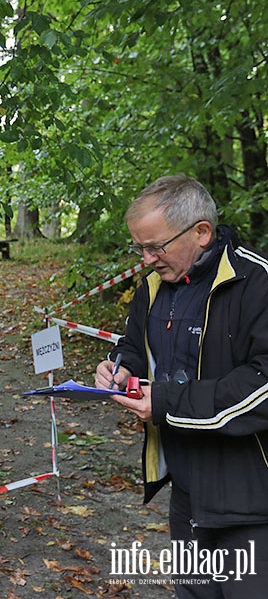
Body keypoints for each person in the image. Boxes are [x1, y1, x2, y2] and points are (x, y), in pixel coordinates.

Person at [94, 174, 268, 598]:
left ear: (202, 232)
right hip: (186, 492)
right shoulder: (154, 285)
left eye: (156, 247)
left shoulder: (257, 281)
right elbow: (134, 344)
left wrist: (167, 402)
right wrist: (118, 367)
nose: (147, 259)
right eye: (140, 248)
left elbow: (262, 382)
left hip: (251, 500)